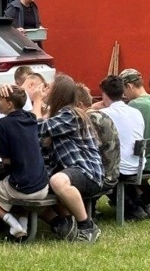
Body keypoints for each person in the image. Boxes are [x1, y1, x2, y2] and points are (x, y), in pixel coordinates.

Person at [31, 73, 103, 243]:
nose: (43, 89)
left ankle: (87, 227)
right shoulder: (58, 116)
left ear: (58, 93)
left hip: (87, 172)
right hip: (71, 171)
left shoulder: (71, 114)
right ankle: (63, 223)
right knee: (32, 187)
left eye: (48, 87)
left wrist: (37, 101)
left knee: (58, 181)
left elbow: (37, 128)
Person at [0, 85, 49, 239]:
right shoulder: (31, 118)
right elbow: (34, 112)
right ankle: (22, 228)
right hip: (43, 185)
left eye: (0, 100)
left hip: (23, 187)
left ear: (9, 104)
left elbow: (5, 159)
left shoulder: (4, 123)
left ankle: (13, 224)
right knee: (17, 190)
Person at [94, 75, 146, 220]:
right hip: (138, 164)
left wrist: (92, 108)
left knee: (97, 165)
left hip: (119, 169)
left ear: (104, 95)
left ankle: (132, 209)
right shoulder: (135, 112)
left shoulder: (103, 115)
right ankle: (136, 205)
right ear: (123, 92)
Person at [75, 83, 120, 196]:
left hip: (102, 178)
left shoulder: (88, 120)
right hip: (112, 174)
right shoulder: (102, 115)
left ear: (79, 105)